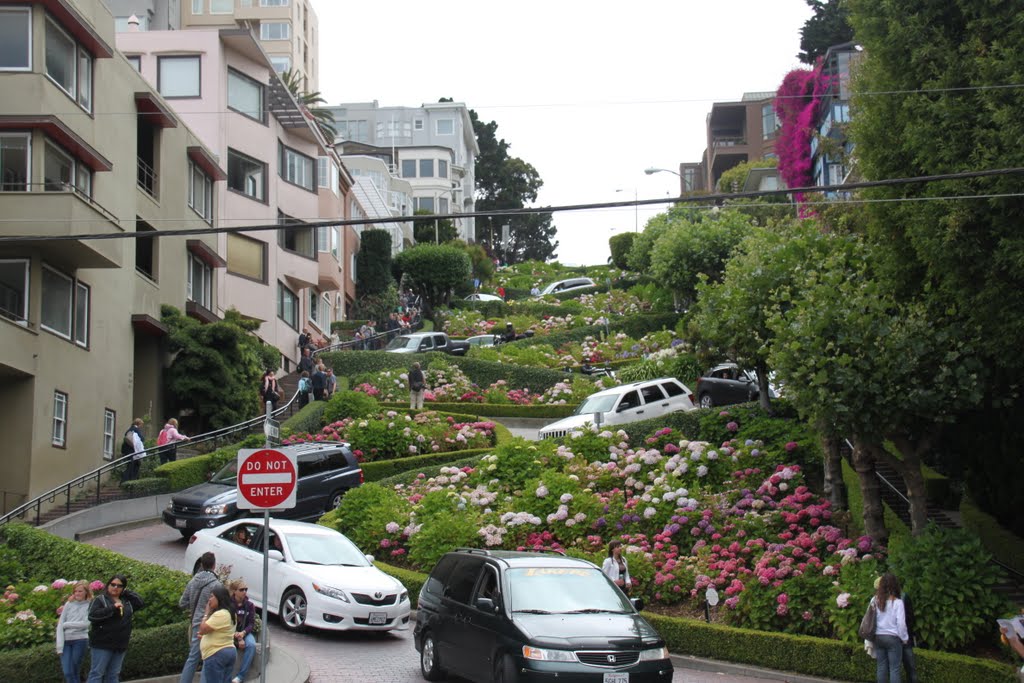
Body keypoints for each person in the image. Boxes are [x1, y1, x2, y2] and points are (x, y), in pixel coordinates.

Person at [87, 573, 143, 683]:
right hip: (102, 644)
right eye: (113, 584)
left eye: (119, 586)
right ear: (108, 585)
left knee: (113, 675)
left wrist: (126, 592)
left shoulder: (127, 601)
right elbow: (92, 616)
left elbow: (140, 602)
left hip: (120, 644)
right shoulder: (100, 599)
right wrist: (112, 608)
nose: (115, 588)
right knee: (97, 673)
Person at [178, 552, 220, 683]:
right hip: (210, 624)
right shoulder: (216, 584)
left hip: (196, 623)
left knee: (193, 657)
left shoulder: (193, 581)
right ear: (214, 565)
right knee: (208, 657)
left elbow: (182, 603)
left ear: (201, 564)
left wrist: (193, 609)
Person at [873, 572, 909, 683]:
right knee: (894, 669)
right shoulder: (898, 603)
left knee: (881, 667)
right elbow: (901, 624)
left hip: (878, 637)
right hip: (893, 638)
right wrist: (904, 638)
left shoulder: (874, 600)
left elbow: (870, 619)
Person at [198, 585, 236, 683]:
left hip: (216, 654)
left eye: (211, 597)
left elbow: (202, 629)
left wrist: (206, 613)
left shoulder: (221, 614)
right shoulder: (230, 613)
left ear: (219, 598)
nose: (209, 600)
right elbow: (219, 631)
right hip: (227, 651)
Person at [56, 580, 92, 683]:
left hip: (80, 640)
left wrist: (67, 625)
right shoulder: (69, 604)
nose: (77, 593)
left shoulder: (89, 605)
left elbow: (85, 624)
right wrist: (59, 646)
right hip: (66, 642)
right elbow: (60, 623)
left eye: (80, 591)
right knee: (68, 671)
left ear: (86, 592)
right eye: (75, 591)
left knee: (74, 670)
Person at [227, 579, 256, 683]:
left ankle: (240, 677)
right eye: (241, 589)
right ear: (235, 591)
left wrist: (243, 634)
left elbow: (251, 623)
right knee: (229, 649)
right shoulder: (228, 604)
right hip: (229, 632)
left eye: (246, 589)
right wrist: (236, 636)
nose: (244, 592)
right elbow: (225, 623)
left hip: (244, 632)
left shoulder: (249, 605)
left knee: (251, 645)